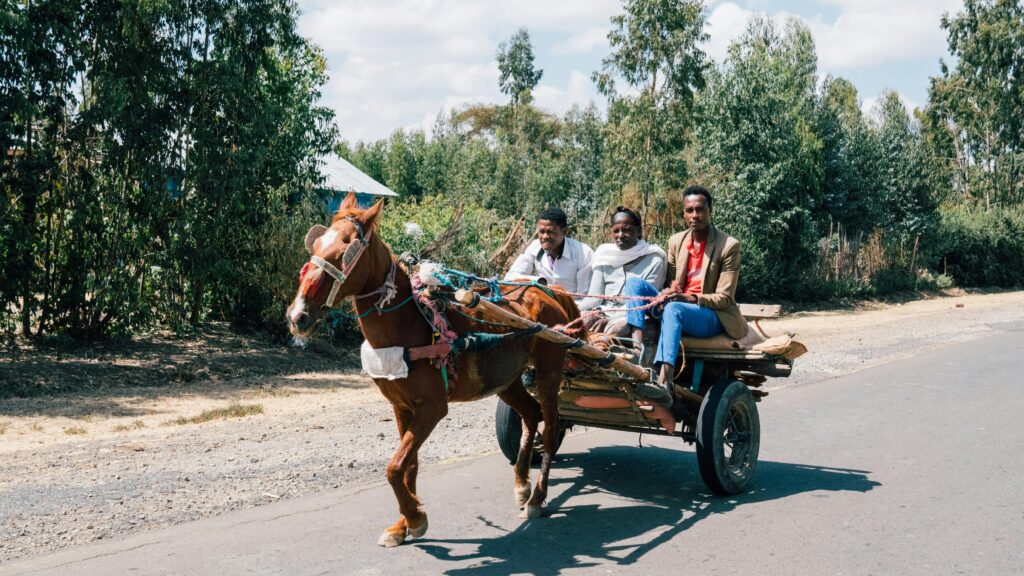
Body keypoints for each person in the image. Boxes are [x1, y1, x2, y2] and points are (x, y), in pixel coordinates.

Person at [623, 185, 747, 398]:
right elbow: (673, 282)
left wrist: (687, 297)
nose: (695, 215)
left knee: (674, 309)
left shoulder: (728, 246)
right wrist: (668, 292)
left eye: (700, 210)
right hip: (679, 305)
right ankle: (636, 350)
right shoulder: (676, 241)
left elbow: (725, 298)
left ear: (710, 211)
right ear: (684, 213)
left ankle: (664, 380)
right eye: (689, 210)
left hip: (711, 314)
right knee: (634, 283)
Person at [578, 207, 667, 332]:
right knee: (579, 322)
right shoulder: (604, 255)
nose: (620, 235)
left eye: (627, 230)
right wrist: (572, 310)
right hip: (603, 311)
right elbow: (594, 298)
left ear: (639, 231)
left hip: (635, 315)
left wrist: (609, 319)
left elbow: (643, 303)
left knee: (613, 329)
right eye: (616, 231)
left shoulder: (655, 259)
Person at [505, 207, 594, 295]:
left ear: (564, 231)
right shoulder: (535, 247)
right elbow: (510, 278)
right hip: (544, 304)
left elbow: (585, 295)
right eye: (542, 231)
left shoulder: (583, 253)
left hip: (574, 306)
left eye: (550, 232)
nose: (545, 237)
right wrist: (538, 282)